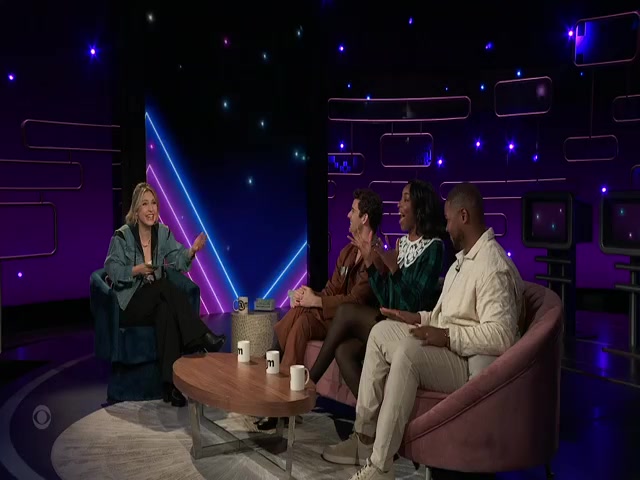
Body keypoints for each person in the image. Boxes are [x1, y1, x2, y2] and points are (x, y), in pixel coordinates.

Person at [321, 182, 525, 480]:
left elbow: (502, 336)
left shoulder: (492, 265)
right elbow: (446, 314)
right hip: (448, 343)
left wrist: (447, 336)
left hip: (466, 359)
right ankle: (363, 439)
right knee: (381, 333)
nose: (447, 226)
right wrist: (417, 317)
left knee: (408, 353)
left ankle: (381, 465)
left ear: (464, 216)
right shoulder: (464, 261)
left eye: (449, 220)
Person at [256, 188, 383, 430]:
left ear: (365, 218)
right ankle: (285, 399)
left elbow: (356, 301)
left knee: (302, 316)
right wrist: (311, 295)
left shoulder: (375, 257)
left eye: (353, 211)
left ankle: (270, 364)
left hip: (352, 327)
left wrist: (317, 302)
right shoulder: (348, 251)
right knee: (301, 318)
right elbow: (332, 289)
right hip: (332, 316)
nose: (347, 215)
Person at [308, 180, 446, 399]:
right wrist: (371, 264)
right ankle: (371, 416)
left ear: (420, 208)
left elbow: (413, 304)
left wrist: (394, 270)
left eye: (405, 200)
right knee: (343, 351)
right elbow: (387, 299)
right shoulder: (401, 243)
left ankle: (308, 384)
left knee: (345, 311)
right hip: (388, 318)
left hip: (411, 325)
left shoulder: (434, 248)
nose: (398, 205)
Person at [104, 182, 226, 408]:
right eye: (145, 204)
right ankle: (199, 336)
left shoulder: (162, 233)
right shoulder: (122, 236)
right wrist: (136, 270)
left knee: (166, 312)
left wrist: (192, 251)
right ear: (136, 209)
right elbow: (111, 269)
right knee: (163, 286)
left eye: (154, 204)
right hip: (130, 304)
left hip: (155, 301)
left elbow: (179, 260)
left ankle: (171, 387)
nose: (151, 209)